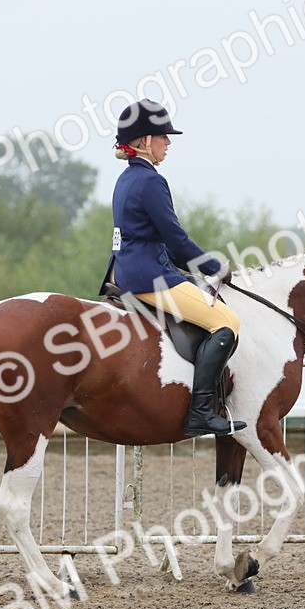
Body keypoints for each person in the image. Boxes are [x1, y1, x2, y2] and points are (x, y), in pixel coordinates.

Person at [100, 99, 246, 437]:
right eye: (164, 136)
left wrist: (193, 269)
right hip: (149, 277)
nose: (169, 142)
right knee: (227, 322)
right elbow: (176, 239)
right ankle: (201, 411)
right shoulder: (151, 182)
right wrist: (214, 267)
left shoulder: (127, 179)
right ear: (146, 141)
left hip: (126, 270)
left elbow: (159, 241)